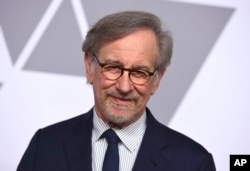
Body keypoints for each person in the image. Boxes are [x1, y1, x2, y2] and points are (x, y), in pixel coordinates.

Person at [17, 11, 216, 171]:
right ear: (89, 66)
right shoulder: (44, 146)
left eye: (139, 72)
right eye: (112, 67)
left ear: (157, 80)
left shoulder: (194, 163)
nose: (124, 87)